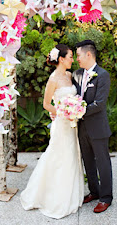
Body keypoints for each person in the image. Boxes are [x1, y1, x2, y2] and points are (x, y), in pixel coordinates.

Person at [20, 44, 84, 219]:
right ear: (61, 59)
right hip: (61, 125)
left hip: (72, 124)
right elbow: (46, 104)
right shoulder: (53, 79)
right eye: (70, 56)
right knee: (58, 158)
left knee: (71, 157)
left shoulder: (70, 76)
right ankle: (51, 197)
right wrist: (64, 112)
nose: (73, 59)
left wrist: (75, 111)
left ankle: (72, 195)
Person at [72, 40, 113, 213]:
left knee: (103, 163)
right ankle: (94, 192)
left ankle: (106, 197)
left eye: (79, 55)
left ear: (88, 54)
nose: (77, 59)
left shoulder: (102, 75)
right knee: (88, 162)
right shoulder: (76, 74)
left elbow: (99, 104)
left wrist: (77, 112)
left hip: (98, 127)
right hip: (82, 128)